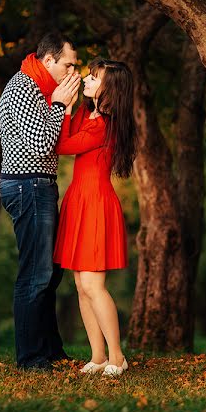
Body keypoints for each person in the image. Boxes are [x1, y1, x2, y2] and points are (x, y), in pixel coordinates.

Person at [0, 33, 80, 370]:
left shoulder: (41, 89)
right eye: (68, 64)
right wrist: (60, 105)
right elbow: (42, 145)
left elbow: (54, 140)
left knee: (50, 272)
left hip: (40, 186)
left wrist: (63, 107)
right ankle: (31, 358)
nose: (73, 71)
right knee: (35, 274)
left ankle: (50, 350)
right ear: (49, 61)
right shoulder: (23, 89)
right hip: (27, 187)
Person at [54, 58, 136, 377]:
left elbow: (61, 144)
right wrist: (71, 107)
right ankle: (98, 355)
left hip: (95, 201)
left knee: (92, 283)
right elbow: (71, 134)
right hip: (80, 198)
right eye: (88, 75)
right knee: (81, 284)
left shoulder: (103, 123)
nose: (86, 80)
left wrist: (61, 107)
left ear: (109, 88)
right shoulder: (90, 115)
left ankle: (117, 357)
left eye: (93, 77)